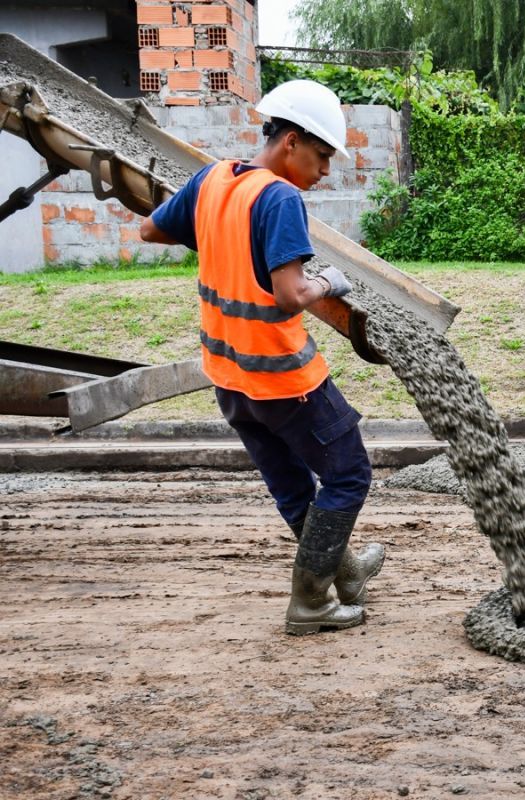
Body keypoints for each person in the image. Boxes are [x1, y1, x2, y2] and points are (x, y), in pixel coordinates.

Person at [140, 80, 385, 633]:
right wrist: (330, 280)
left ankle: (343, 570)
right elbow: (289, 293)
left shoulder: (214, 179)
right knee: (349, 474)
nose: (325, 170)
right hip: (282, 377)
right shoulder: (279, 198)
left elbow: (151, 227)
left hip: (228, 378)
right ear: (292, 142)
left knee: (293, 485)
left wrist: (222, 239)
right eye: (322, 156)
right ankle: (311, 600)